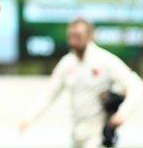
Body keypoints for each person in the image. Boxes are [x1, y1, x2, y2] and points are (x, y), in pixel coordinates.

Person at [19, 17, 143, 148]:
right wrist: (28, 118)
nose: (73, 40)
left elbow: (136, 85)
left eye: (78, 35)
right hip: (76, 134)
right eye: (71, 36)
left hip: (98, 134)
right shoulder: (66, 63)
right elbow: (49, 93)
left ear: (89, 36)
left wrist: (122, 113)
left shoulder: (104, 60)